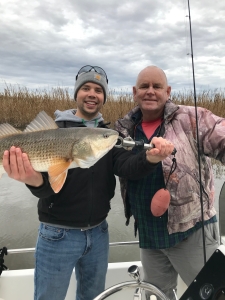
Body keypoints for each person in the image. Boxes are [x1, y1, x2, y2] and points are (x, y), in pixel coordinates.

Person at [2, 65, 174, 300]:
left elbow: (127, 167)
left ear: (103, 97)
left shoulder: (107, 135)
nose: (92, 94)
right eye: (86, 88)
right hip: (57, 235)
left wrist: (150, 158)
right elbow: (44, 189)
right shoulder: (57, 129)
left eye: (98, 90)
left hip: (99, 234)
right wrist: (29, 179)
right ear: (76, 93)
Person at [115, 65, 223, 300]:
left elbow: (220, 135)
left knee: (213, 293)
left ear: (168, 91)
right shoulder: (123, 129)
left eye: (157, 86)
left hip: (192, 231)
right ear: (135, 92)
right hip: (149, 235)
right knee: (158, 296)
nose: (150, 91)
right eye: (144, 86)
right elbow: (121, 167)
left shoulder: (191, 117)